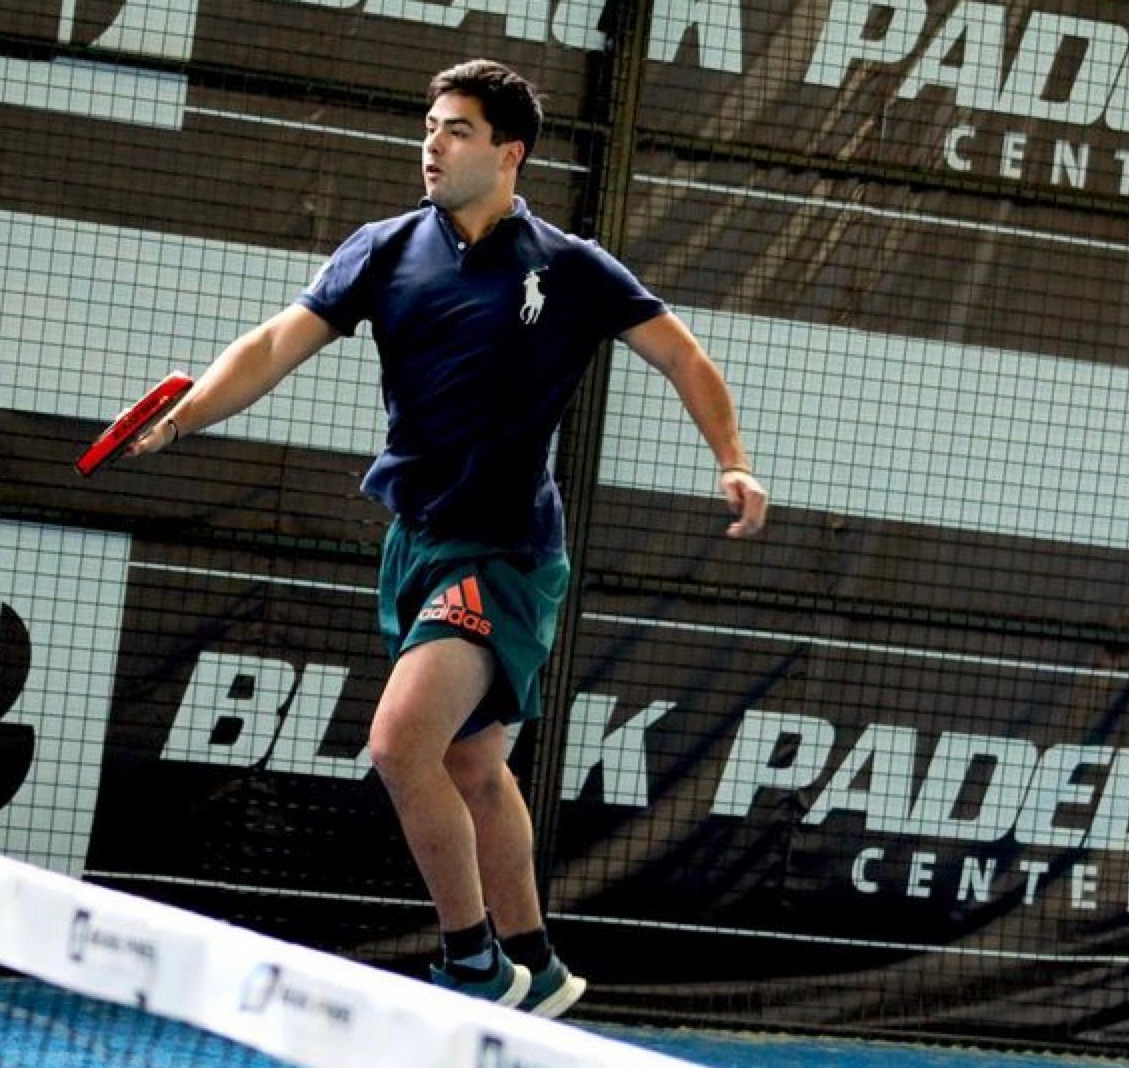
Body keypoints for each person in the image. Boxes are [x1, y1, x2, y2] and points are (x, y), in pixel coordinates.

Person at [129, 58, 769, 1017]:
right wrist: (183, 419)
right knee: (471, 764)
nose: (432, 145)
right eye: (429, 127)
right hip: (416, 541)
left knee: (399, 745)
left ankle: (472, 962)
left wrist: (732, 460)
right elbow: (270, 346)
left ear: (510, 153)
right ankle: (536, 967)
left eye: (457, 130)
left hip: (506, 552)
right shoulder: (382, 250)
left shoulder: (570, 266)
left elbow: (683, 355)